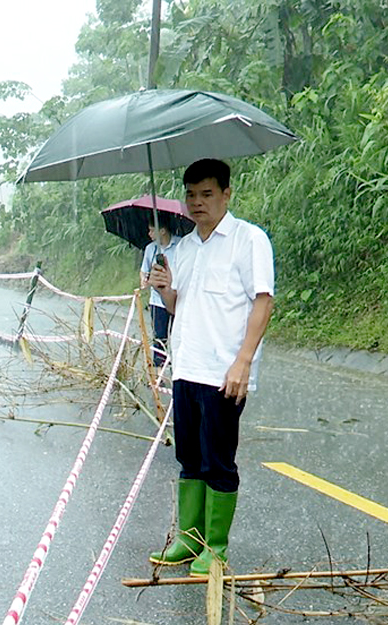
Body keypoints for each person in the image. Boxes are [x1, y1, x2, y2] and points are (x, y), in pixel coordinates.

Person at [147, 158, 274, 576]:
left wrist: (243, 362)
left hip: (223, 372)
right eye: (190, 194)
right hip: (187, 367)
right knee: (189, 457)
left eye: (206, 194)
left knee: (218, 460)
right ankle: (190, 538)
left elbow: (263, 300)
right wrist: (165, 290)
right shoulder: (183, 248)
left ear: (226, 194)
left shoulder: (248, 239)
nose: (197, 203)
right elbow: (180, 307)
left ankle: (215, 547)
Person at [140, 218, 182, 367]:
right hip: (157, 301)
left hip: (178, 299)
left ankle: (178, 371)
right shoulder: (150, 249)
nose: (149, 233)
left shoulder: (181, 245)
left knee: (179, 337)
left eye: (152, 230)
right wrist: (145, 280)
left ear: (162, 230)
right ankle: (159, 376)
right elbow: (144, 271)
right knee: (159, 339)